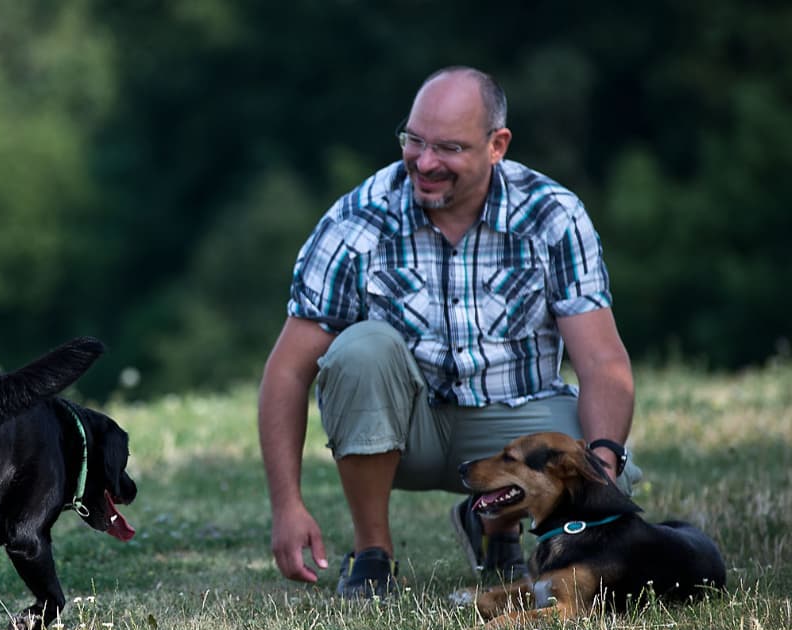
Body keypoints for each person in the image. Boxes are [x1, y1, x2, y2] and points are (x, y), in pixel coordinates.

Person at [258, 65, 640, 598]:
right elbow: (287, 370)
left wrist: (602, 465)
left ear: (497, 145)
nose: (425, 162)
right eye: (413, 141)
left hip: (515, 421)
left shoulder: (552, 215)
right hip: (403, 430)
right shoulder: (358, 220)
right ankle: (373, 554)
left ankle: (495, 527)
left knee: (599, 462)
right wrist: (287, 506)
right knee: (361, 349)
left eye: (449, 148)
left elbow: (602, 363)